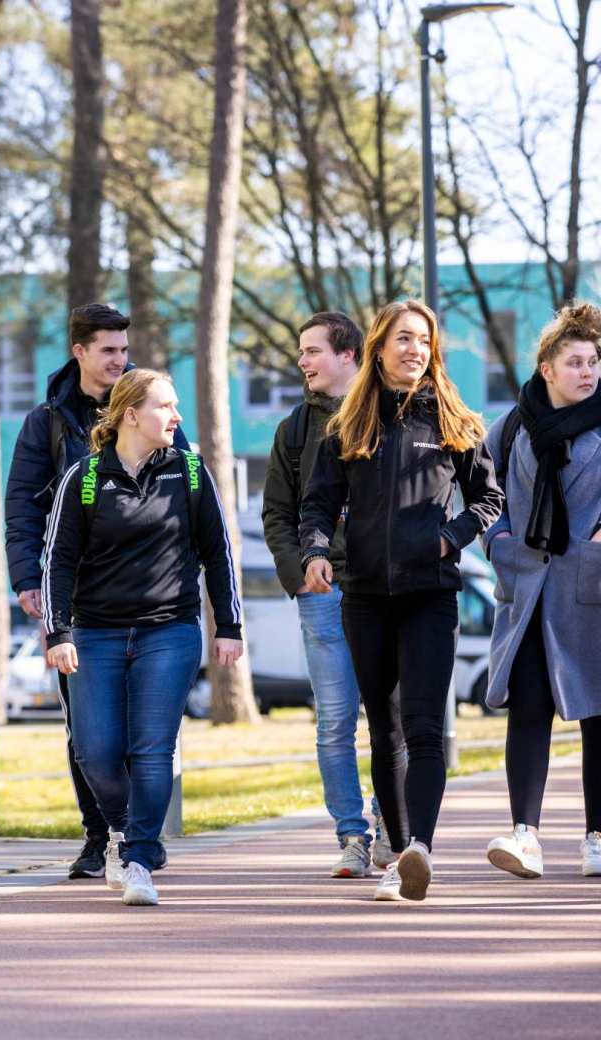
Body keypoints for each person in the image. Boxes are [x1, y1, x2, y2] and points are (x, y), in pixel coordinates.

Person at [299, 300, 503, 902]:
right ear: (380, 348)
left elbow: (487, 500)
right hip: (362, 597)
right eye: (403, 339)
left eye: (423, 340)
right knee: (384, 732)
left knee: (422, 726)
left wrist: (450, 538)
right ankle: (398, 854)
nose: (414, 349)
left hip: (429, 596)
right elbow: (317, 504)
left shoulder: (454, 419)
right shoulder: (347, 425)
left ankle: (419, 850)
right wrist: (315, 551)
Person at [43, 369, 243, 906]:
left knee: (151, 750)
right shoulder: (84, 478)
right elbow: (58, 562)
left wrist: (229, 625)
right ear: (131, 414)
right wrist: (58, 632)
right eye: (166, 407)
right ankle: (123, 830)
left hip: (169, 632)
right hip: (95, 634)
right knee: (95, 752)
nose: (177, 417)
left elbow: (217, 553)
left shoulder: (191, 473)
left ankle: (137, 857)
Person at [4, 304, 189, 880]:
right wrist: (27, 580)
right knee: (85, 728)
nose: (119, 359)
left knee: (144, 731)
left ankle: (134, 835)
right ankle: (99, 833)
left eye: (123, 349)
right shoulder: (49, 422)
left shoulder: (153, 406)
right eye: (107, 349)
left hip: (153, 602)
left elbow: (187, 486)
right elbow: (22, 505)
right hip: (78, 601)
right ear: (79, 352)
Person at [262, 311, 393, 878]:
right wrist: (300, 575)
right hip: (323, 594)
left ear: (348, 355)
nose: (303, 362)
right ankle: (352, 835)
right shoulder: (294, 429)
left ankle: (396, 821)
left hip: (387, 590)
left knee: (394, 718)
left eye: (312, 351)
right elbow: (277, 513)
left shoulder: (392, 413)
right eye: (300, 352)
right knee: (335, 720)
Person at [480, 302, 601, 880]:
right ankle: (525, 834)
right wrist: (499, 541)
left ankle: (597, 836)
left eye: (594, 361)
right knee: (528, 708)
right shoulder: (512, 425)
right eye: (574, 361)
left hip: (591, 589)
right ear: (546, 368)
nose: (588, 372)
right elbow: (481, 490)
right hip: (526, 588)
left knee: (599, 714)